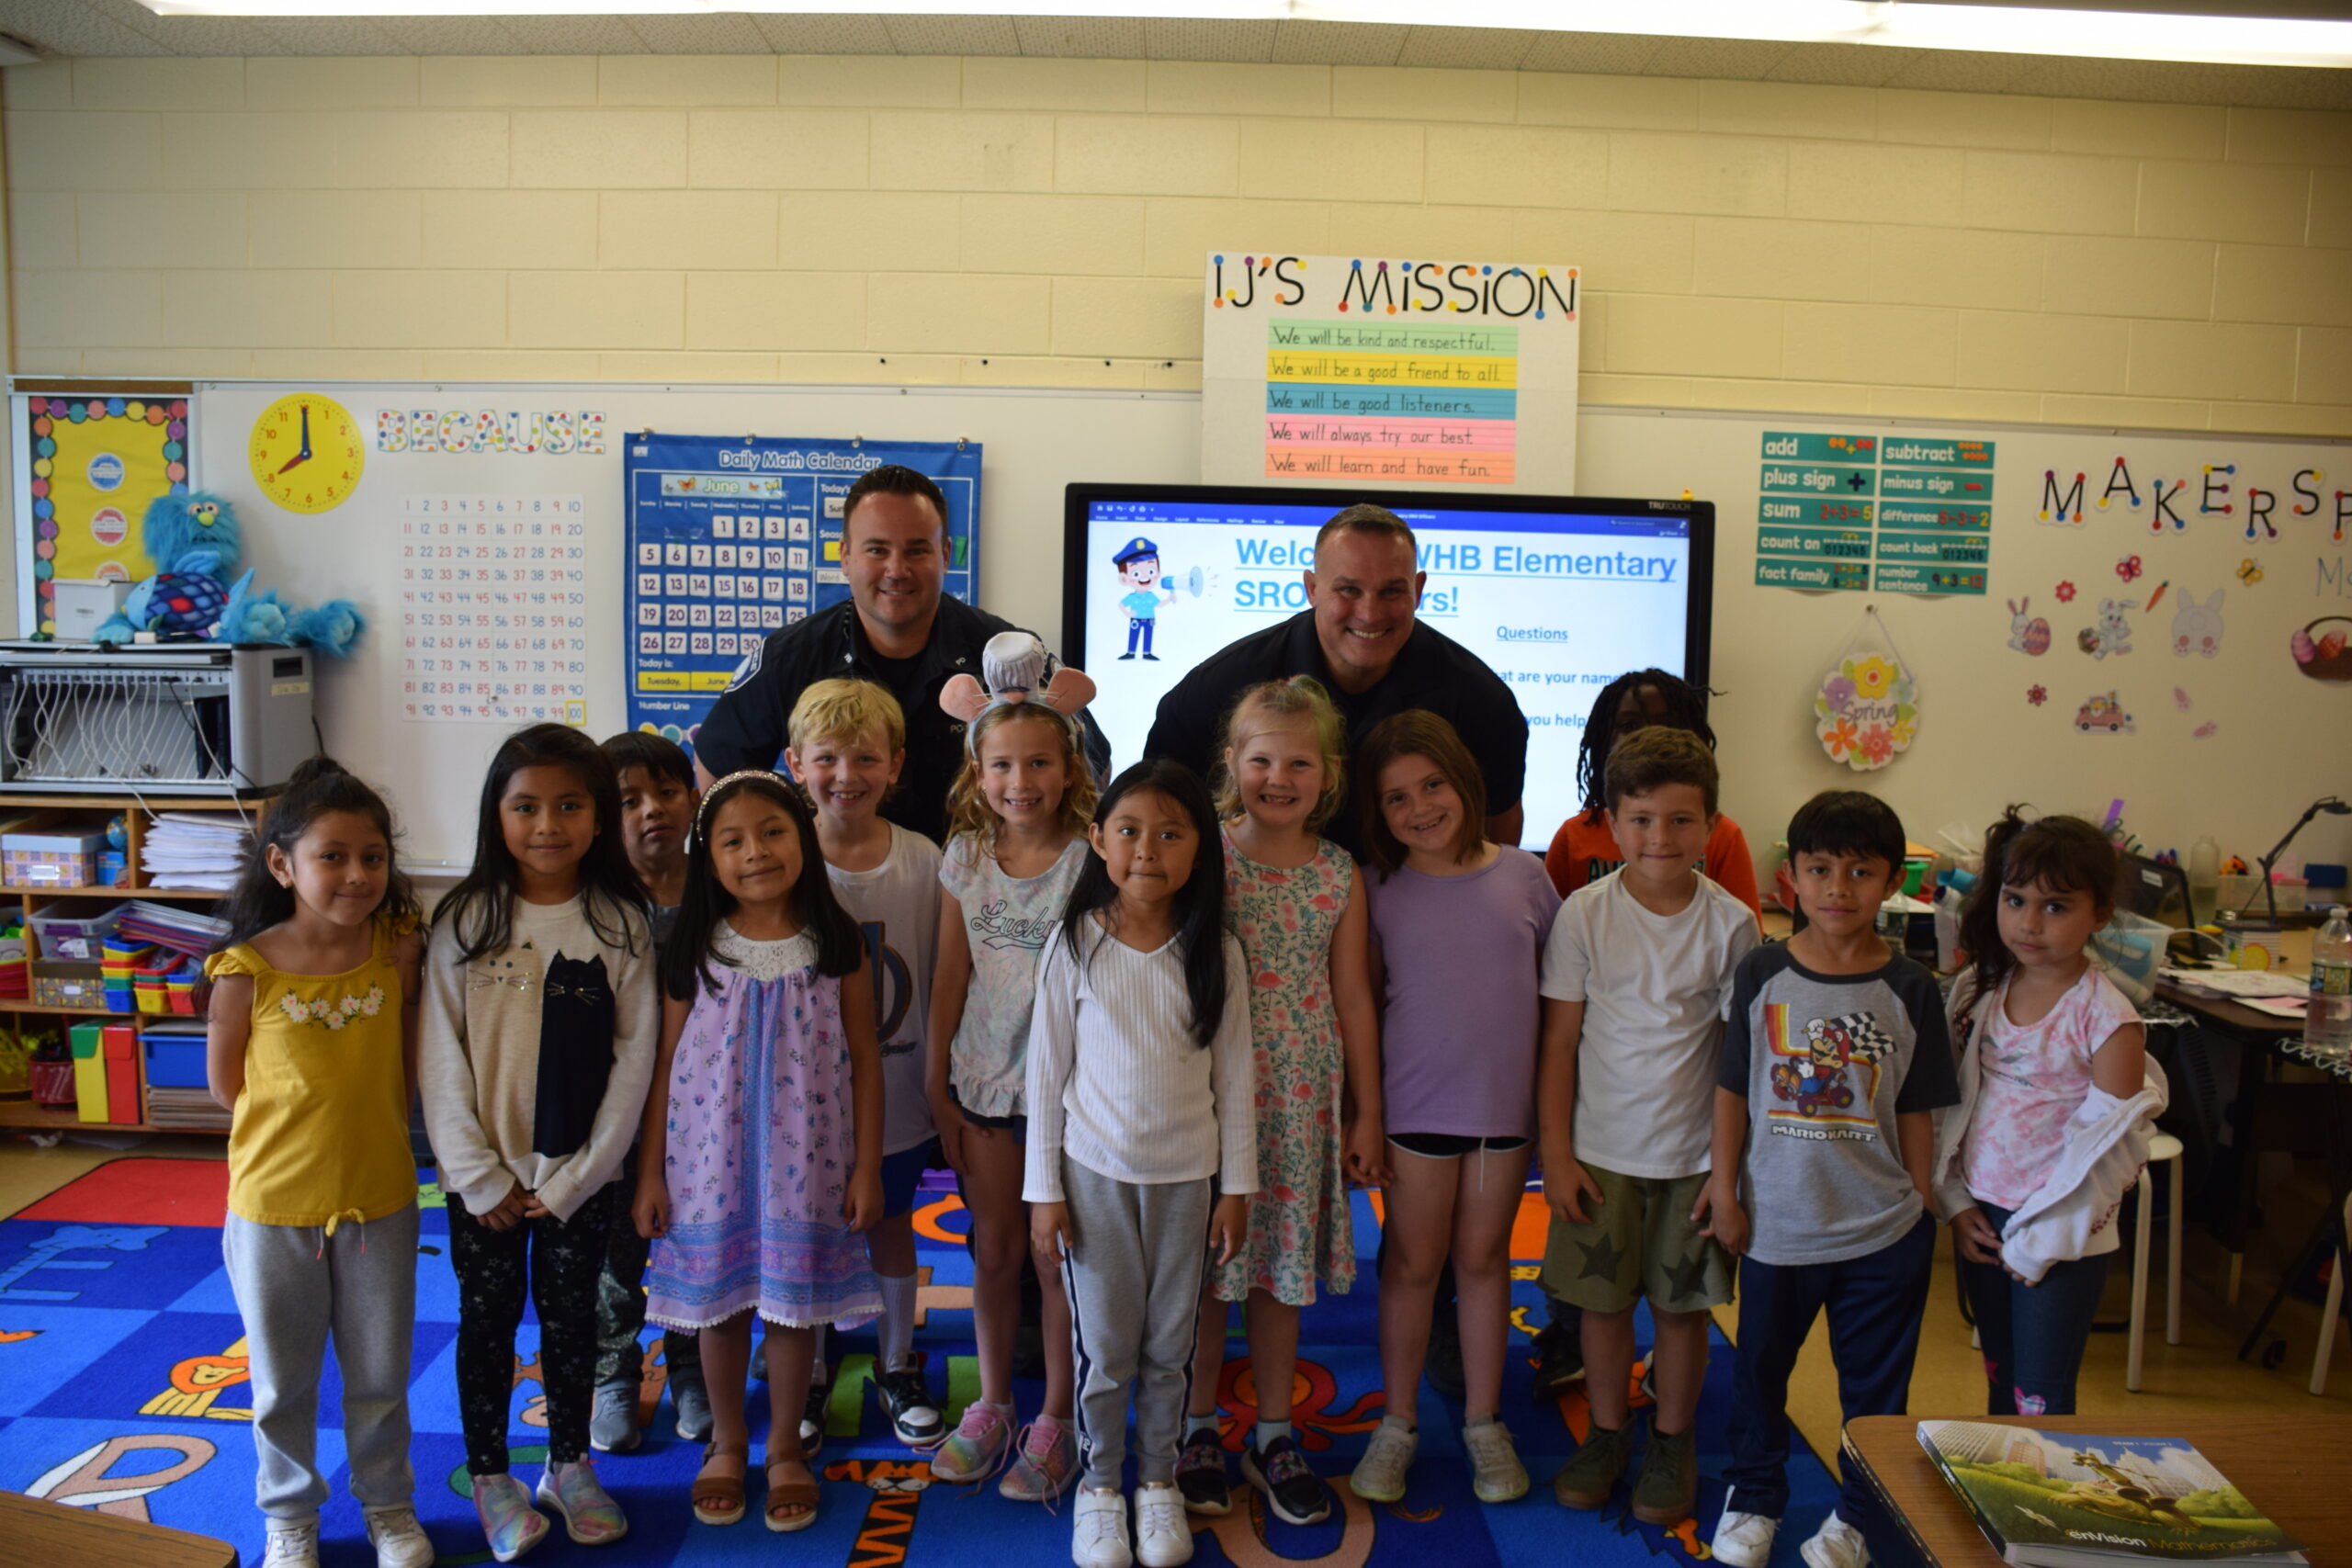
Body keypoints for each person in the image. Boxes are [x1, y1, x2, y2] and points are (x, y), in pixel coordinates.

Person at [419, 725, 658, 1563]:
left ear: (600, 816)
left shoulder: (620, 924)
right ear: (498, 813)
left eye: (569, 804)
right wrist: (477, 1176)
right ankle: (491, 1477)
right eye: (526, 805)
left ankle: (569, 1465)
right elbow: (439, 1057)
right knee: (485, 1322)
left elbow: (635, 1062)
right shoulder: (466, 918)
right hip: (481, 1182)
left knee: (571, 1326)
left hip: (576, 1181)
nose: (547, 823)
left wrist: (580, 1177)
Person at [1707, 791, 1960, 1568]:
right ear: (1792, 880)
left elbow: (1919, 1104)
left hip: (1882, 1227)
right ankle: (1754, 1495)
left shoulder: (1913, 985)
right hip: (1779, 1219)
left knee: (1875, 1387)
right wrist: (1724, 1189)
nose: (1839, 888)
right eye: (1820, 869)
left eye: (1860, 871)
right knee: (1760, 1373)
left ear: (1891, 881)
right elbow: (1731, 1090)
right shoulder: (1761, 972)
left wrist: (1922, 1199)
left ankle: (1858, 1512)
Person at [633, 772, 884, 1533]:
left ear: (802, 838)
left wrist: (869, 1166)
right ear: (708, 858)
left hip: (808, 1165)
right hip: (707, 1167)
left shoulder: (835, 943)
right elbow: (664, 1064)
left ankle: (782, 1448)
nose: (756, 852)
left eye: (772, 832)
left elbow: (867, 1060)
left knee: (791, 1306)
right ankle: (726, 1438)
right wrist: (649, 1170)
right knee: (719, 1306)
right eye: (732, 840)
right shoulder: (695, 948)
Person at [204, 757, 435, 1568]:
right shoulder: (246, 969)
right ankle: (290, 1515)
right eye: (331, 856)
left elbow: (409, 1066)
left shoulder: (400, 949)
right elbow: (227, 1086)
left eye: (372, 856)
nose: (357, 874)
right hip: (272, 1208)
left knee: (380, 1374)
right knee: (282, 1383)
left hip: (381, 1198)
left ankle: (390, 1506)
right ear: (282, 864)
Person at [1027, 759, 1257, 1568]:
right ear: (1097, 838)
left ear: (1202, 847)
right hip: (1095, 1179)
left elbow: (1234, 1076)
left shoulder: (1216, 951)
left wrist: (1236, 1187)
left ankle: (1157, 1483)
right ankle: (1099, 1487)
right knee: (1108, 1346)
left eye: (1170, 832)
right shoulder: (1075, 941)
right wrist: (1043, 1192)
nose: (1147, 849)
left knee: (1171, 1342)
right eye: (1128, 830)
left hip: (1187, 1180)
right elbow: (1046, 1073)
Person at [1178, 678, 1385, 1527]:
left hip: (1300, 1102)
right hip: (1209, 1098)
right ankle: (1194, 1429)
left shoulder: (1338, 872)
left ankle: (1272, 1431)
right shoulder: (1204, 852)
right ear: (1232, 761)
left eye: (1298, 761)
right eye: (1260, 757)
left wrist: (1364, 1110)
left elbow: (1354, 998)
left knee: (1275, 1275)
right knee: (1202, 1274)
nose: (1278, 775)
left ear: (1327, 774)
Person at [1540, 728, 1759, 1527]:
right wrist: (1555, 1154)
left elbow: (1738, 1064)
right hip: (1600, 1155)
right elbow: (1559, 1043)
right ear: (1611, 820)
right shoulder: (1584, 916)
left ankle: (1671, 1438)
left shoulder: (1733, 925)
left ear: (1711, 825)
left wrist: (1727, 1174)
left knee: (1680, 1310)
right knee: (1601, 1308)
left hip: (1693, 1158)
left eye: (1679, 821)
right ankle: (1606, 1431)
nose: (1658, 839)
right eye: (1639, 819)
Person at [1347, 711, 1558, 1510]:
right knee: (1410, 1262)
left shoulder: (1526, 877)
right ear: (1378, 810)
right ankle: (1396, 1422)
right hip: (1413, 1107)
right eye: (1398, 797)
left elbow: (1557, 998)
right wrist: (1361, 1111)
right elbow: (1360, 1000)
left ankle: (1482, 1420)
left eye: (1432, 784)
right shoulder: (1377, 887)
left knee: (1483, 1261)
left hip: (1503, 1112)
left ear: (1465, 781)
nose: (1420, 807)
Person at [693, 463, 1108, 841]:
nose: (896, 570)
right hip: (828, 893)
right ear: (845, 556)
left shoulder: (1007, 654)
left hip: (978, 896)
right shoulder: (790, 657)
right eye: (877, 550)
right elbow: (721, 775)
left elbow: (1094, 767)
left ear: (945, 555)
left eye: (916, 550)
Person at [925, 644, 1099, 1501]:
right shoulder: (964, 855)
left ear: (1069, 767)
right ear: (977, 770)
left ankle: (1058, 1415)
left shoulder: (1093, 858)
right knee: (992, 1249)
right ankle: (993, 1401)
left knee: (1054, 1255)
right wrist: (936, 1084)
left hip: (1068, 1095)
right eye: (1003, 764)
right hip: (985, 1082)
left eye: (1038, 762)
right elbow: (950, 975)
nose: (1020, 780)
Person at [1933, 810, 2161, 1420]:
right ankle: (1998, 1493)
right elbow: (1957, 1105)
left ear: (2101, 913)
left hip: (2061, 1234)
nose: (2030, 923)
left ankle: (2039, 1509)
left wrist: (2043, 1240)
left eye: (2056, 906)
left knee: (2041, 1396)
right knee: (1999, 1374)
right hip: (1984, 1215)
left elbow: (2114, 1149)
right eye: (2016, 899)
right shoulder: (1981, 990)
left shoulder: (2106, 1017)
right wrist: (1954, 1201)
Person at [1144, 504, 1528, 856]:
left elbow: (1497, 835)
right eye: (1348, 590)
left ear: (1419, 589)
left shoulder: (1482, 700)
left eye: (1392, 591)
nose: (1369, 613)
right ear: (1312, 588)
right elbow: (1157, 809)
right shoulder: (1219, 687)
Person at [785, 679, 946, 1450]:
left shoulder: (925, 861)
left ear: (896, 766)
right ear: (794, 763)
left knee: (886, 1222)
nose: (845, 773)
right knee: (812, 1230)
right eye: (826, 757)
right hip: (805, 1097)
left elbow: (945, 974)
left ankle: (895, 1361)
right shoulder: (782, 860)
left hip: (902, 1087)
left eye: (864, 757)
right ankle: (809, 1368)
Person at [590, 731, 705, 1455]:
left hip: (703, 1105)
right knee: (617, 1244)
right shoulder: (595, 898)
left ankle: (692, 1363)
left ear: (694, 796)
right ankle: (614, 1370)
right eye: (628, 799)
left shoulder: (719, 880)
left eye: (666, 791)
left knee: (695, 1236)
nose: (652, 811)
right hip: (617, 1105)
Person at [1544, 669, 1761, 917]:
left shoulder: (1724, 837)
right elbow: (1552, 936)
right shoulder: (1573, 837)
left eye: (1667, 723)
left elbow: (1745, 934)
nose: (1648, 734)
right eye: (1629, 725)